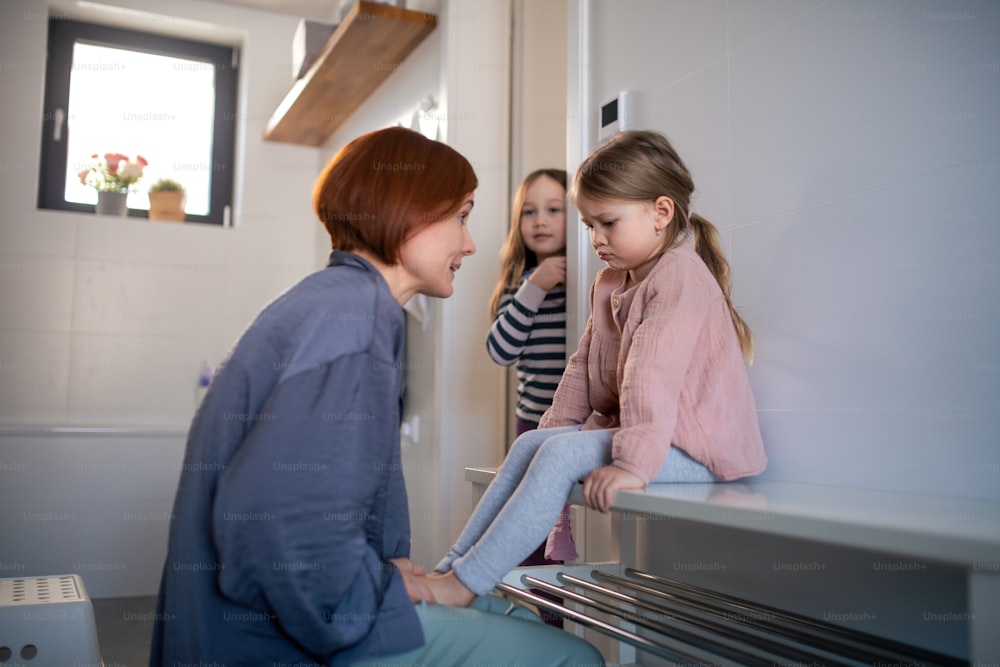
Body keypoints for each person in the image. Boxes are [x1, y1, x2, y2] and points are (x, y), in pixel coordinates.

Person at [150, 126, 604, 667]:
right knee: (573, 659)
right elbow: (274, 526)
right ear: (408, 211)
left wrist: (384, 575)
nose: (470, 243)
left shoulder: (336, 303)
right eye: (461, 216)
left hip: (264, 623)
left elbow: (297, 512)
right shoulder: (356, 324)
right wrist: (382, 593)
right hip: (273, 645)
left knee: (514, 615)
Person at [430, 129, 768, 607]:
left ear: (661, 212)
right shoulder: (613, 282)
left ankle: (463, 587)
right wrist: (556, 429)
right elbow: (583, 366)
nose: (596, 239)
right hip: (660, 439)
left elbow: (652, 375)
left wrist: (632, 466)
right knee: (531, 442)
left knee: (560, 457)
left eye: (607, 223)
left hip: (701, 450)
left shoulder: (679, 277)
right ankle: (452, 568)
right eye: (589, 226)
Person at [486, 169, 579, 571]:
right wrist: (534, 287)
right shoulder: (519, 284)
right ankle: (541, 614)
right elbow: (500, 350)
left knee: (573, 527)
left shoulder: (586, 278)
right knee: (532, 526)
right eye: (529, 212)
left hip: (578, 428)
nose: (539, 220)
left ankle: (566, 612)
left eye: (553, 209)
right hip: (532, 427)